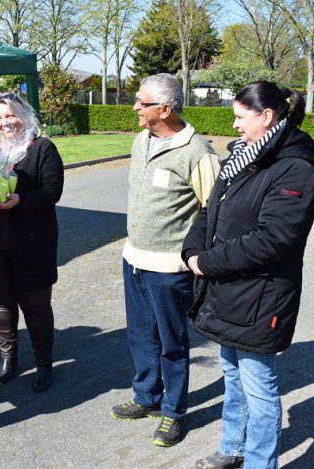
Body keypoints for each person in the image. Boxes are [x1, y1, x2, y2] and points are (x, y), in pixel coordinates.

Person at [182, 81, 314, 469]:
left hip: (262, 296)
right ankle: (234, 446)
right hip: (228, 288)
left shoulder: (294, 166)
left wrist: (206, 263)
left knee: (259, 386)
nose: (233, 123)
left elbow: (274, 239)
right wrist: (192, 249)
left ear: (267, 117)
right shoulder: (244, 158)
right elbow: (211, 209)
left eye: (240, 116)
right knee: (231, 373)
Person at [110, 74, 219, 447]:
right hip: (134, 259)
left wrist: (197, 259)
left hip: (170, 268)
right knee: (141, 336)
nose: (135, 107)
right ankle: (146, 397)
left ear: (165, 109)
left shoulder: (197, 152)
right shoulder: (141, 140)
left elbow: (214, 212)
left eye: (142, 102)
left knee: (172, 343)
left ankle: (174, 412)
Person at [0, 92, 64, 393]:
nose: (4, 122)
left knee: (35, 305)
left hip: (32, 243)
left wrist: (20, 200)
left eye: (10, 115)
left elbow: (52, 192)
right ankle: (8, 358)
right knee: (1, 304)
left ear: (24, 116)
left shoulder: (42, 148)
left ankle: (43, 363)